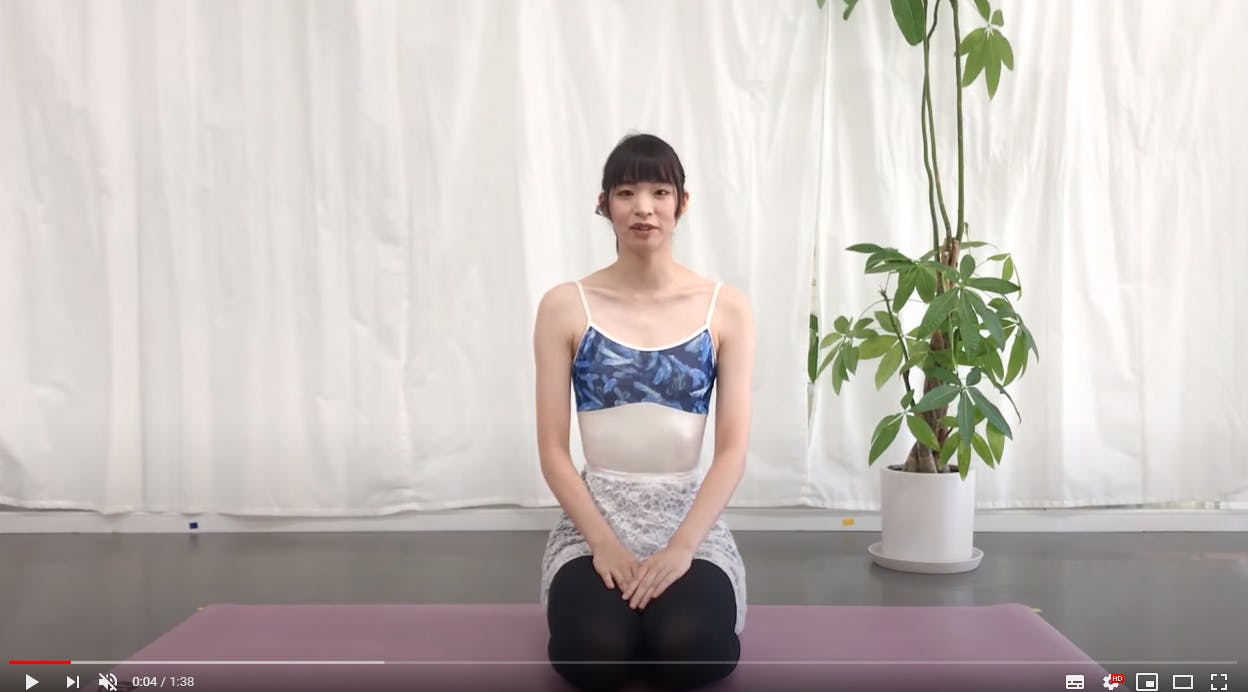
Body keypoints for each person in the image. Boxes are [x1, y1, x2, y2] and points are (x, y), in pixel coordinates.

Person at [533, 133, 753, 692]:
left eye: (659, 191)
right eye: (627, 192)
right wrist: (603, 543)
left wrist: (683, 548)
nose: (644, 208)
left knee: (693, 649)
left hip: (688, 522)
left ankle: (659, 621)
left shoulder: (725, 308)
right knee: (592, 654)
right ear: (604, 205)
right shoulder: (565, 306)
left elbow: (731, 451)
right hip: (594, 522)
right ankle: (624, 623)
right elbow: (553, 451)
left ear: (682, 202)